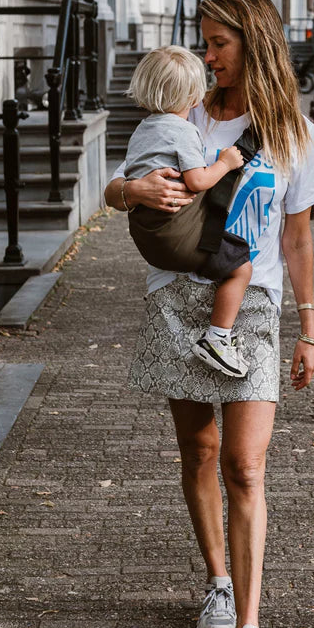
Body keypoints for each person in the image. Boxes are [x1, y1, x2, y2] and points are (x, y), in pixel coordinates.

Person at [104, 0, 314, 628]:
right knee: (198, 448)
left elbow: (297, 236)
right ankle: (218, 584)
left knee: (246, 466)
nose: (207, 55)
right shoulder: (185, 114)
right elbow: (116, 186)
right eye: (203, 42)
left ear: (253, 45)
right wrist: (133, 195)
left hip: (252, 306)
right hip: (178, 300)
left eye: (218, 44)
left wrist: (310, 326)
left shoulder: (291, 131)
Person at [121, 45, 253, 378]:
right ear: (194, 96)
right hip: (177, 236)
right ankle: (218, 338)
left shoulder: (143, 129)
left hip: (147, 235)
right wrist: (225, 163)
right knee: (241, 267)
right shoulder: (183, 131)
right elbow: (197, 180)